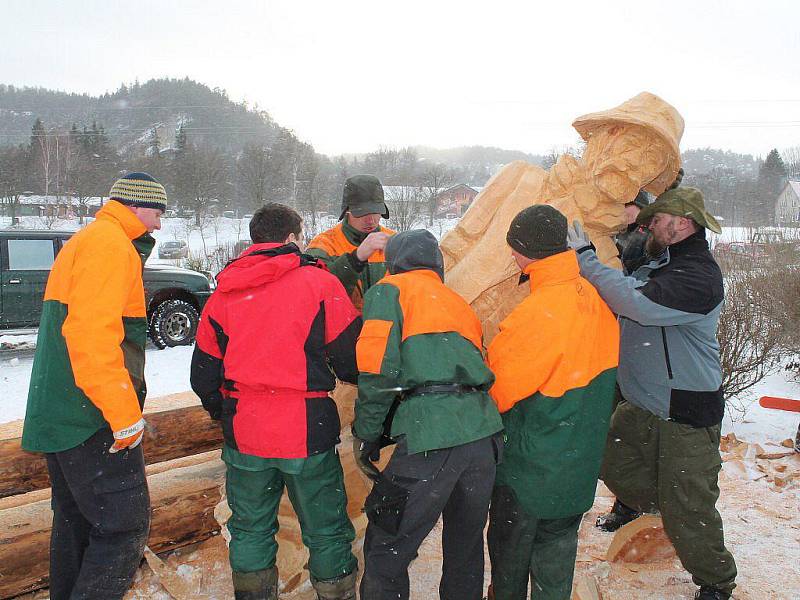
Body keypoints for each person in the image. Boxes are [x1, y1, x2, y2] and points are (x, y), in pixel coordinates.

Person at [568, 187, 737, 600]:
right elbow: (629, 268)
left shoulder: (698, 276)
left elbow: (636, 303)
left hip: (685, 409)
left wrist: (586, 259)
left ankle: (716, 581)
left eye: (658, 221)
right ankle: (643, 504)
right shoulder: (662, 261)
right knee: (613, 459)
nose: (651, 226)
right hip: (642, 402)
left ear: (681, 224)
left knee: (689, 507)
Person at [190, 203, 362, 600]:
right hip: (306, 428)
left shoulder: (225, 291)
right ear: (291, 238)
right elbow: (352, 361)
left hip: (246, 428)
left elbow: (203, 375)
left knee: (250, 527)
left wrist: (225, 410)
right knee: (326, 529)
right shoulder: (319, 285)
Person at [21, 172, 167, 599]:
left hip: (65, 410)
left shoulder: (89, 240)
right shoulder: (109, 245)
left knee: (77, 525)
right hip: (90, 416)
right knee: (124, 527)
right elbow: (91, 337)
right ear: (136, 206)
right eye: (157, 213)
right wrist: (124, 418)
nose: (158, 225)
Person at [352, 229, 504, 600]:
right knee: (465, 546)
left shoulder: (391, 290)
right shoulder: (457, 302)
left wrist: (368, 432)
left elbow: (376, 370)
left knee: (387, 543)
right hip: (484, 435)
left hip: (432, 436)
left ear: (394, 264)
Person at [485, 205, 619, 600]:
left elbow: (498, 393)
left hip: (529, 470)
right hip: (576, 467)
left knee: (509, 565)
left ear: (530, 251)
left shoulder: (536, 314)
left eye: (515, 246)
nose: (511, 254)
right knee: (555, 563)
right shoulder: (594, 300)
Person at [306, 174, 396, 308]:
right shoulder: (324, 245)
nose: (370, 220)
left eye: (376, 212)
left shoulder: (396, 242)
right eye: (363, 213)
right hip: (343, 327)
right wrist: (355, 259)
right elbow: (316, 294)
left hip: (384, 327)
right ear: (347, 211)